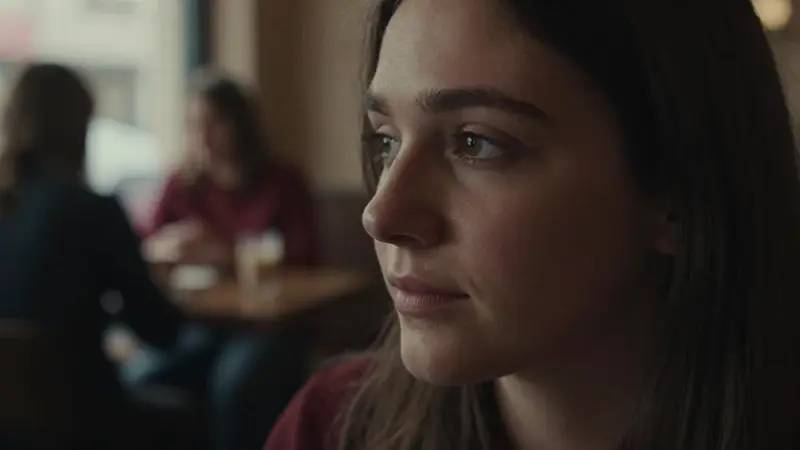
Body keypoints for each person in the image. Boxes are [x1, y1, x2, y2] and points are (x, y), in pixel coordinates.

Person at [264, 0, 800, 450]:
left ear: (680, 193)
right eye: (386, 140)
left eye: (476, 143)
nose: (381, 215)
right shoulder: (331, 427)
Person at [123, 71, 315, 450]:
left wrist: (226, 252)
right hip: (198, 325)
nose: (202, 136)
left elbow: (306, 261)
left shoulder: (283, 182)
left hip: (268, 328)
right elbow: (144, 249)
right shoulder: (181, 184)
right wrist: (167, 247)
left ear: (240, 125)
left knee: (235, 384)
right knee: (137, 376)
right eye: (194, 125)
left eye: (213, 123)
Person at [0, 64, 184, 448]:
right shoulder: (92, 210)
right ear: (81, 127)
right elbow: (159, 329)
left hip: (13, 428)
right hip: (85, 420)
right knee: (185, 413)